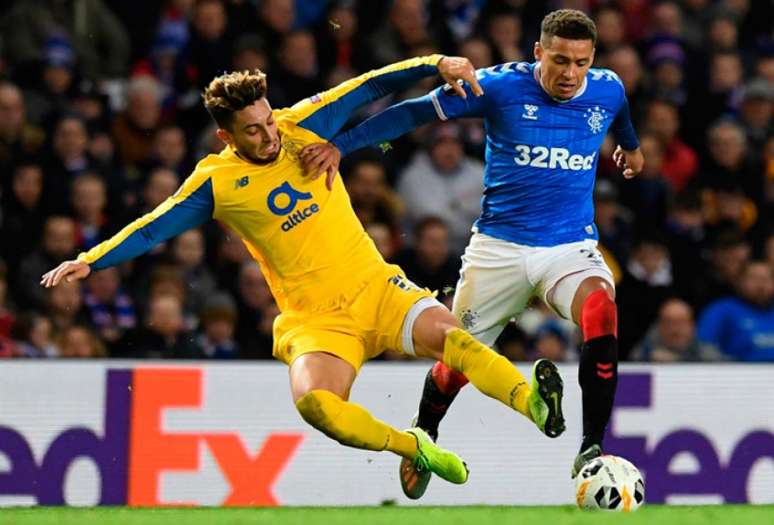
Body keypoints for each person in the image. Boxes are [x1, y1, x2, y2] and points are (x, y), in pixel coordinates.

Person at [40, 55, 565, 487]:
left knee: (458, 339)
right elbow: (154, 227)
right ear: (227, 138)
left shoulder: (300, 126)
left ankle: (534, 405)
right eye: (254, 130)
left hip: (377, 288)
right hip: (317, 322)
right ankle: (415, 446)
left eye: (269, 121)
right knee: (318, 407)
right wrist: (90, 260)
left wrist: (436, 63)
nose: (269, 135)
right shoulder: (217, 183)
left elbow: (367, 86)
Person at [303, 9, 644, 496]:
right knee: (457, 359)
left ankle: (591, 446)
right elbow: (416, 111)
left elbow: (622, 116)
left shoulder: (606, 89)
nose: (571, 74)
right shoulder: (499, 87)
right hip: (498, 249)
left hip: (568, 246)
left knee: (601, 308)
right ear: (538, 53)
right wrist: (343, 145)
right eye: (561, 60)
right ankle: (424, 433)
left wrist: (631, 150)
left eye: (581, 63)